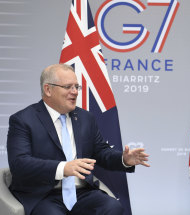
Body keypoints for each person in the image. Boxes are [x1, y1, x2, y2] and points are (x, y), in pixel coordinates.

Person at [7, 64, 150, 215]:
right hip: (43, 195)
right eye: (68, 87)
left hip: (81, 193)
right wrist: (63, 168)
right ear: (48, 89)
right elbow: (19, 163)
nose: (75, 92)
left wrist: (123, 159)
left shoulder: (85, 118)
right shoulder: (23, 120)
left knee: (113, 208)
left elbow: (101, 152)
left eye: (76, 86)